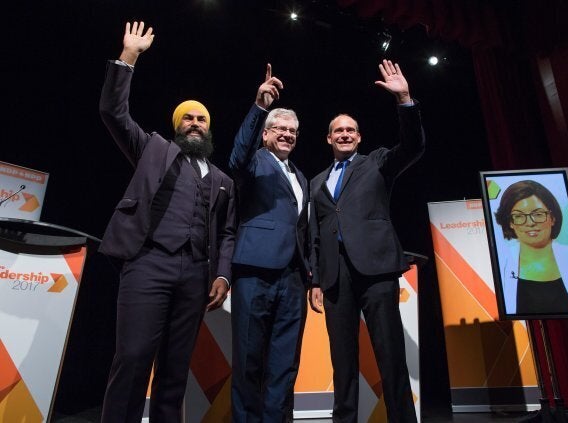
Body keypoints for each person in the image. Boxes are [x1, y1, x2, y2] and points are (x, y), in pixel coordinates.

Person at [98, 22, 236, 422]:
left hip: (195, 274)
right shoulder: (152, 149)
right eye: (188, 118)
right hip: (148, 264)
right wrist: (129, 56)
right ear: (177, 126)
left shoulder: (223, 181)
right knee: (134, 357)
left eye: (202, 120)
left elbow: (228, 233)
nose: (195, 123)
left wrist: (223, 276)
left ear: (209, 129)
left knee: (176, 371)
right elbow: (113, 111)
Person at [309, 60, 424, 423]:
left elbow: (413, 145)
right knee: (342, 361)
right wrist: (314, 278)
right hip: (334, 277)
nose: (345, 134)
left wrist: (404, 99)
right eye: (338, 131)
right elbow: (313, 233)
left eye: (351, 130)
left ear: (359, 137)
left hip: (376, 271)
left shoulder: (377, 163)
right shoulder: (315, 182)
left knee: (390, 355)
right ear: (328, 138)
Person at [229, 64, 310, 422]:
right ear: (265, 134)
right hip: (255, 271)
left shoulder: (302, 177)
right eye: (280, 128)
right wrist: (259, 106)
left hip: (293, 277)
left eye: (293, 131)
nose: (288, 135)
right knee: (248, 359)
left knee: (284, 363)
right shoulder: (254, 161)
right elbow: (237, 154)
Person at [494, 180, 568, 315]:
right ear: (510, 223)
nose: (530, 223)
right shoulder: (501, 265)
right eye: (519, 216)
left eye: (538, 214)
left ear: (553, 218)